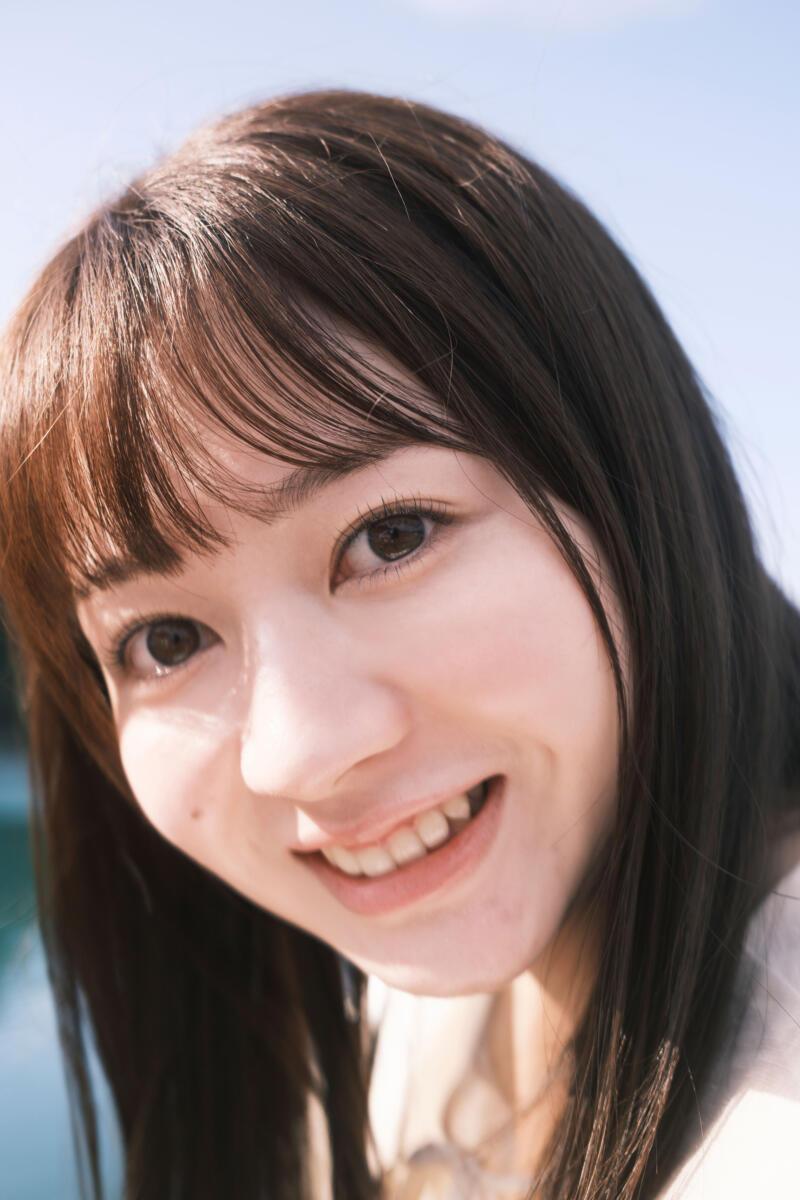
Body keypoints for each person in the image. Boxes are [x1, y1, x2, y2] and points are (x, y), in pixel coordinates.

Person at [0, 89, 798, 1200]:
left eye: (393, 535)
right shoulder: (427, 1005)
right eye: (166, 639)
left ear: (630, 478)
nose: (301, 754)